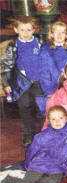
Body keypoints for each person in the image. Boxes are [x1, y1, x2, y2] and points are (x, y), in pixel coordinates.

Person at [0, 106, 67, 183]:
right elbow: (31, 151)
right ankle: (6, 179)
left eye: (60, 118)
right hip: (40, 163)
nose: (57, 121)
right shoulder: (43, 136)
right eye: (53, 119)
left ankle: (24, 177)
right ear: (49, 121)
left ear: (66, 118)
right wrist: (28, 165)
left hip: (58, 166)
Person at [0, 16, 44, 147]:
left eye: (29, 30)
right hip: (22, 83)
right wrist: (6, 83)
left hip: (39, 81)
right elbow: (6, 65)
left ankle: (43, 133)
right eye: (22, 30)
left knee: (42, 108)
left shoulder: (40, 42)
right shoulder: (13, 45)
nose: (26, 33)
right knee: (25, 108)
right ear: (16, 30)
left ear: (34, 30)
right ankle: (28, 134)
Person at [38, 21, 67, 116]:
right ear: (52, 34)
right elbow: (44, 73)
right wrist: (48, 90)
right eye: (56, 32)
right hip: (52, 88)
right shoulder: (45, 51)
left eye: (62, 32)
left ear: (66, 35)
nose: (59, 35)